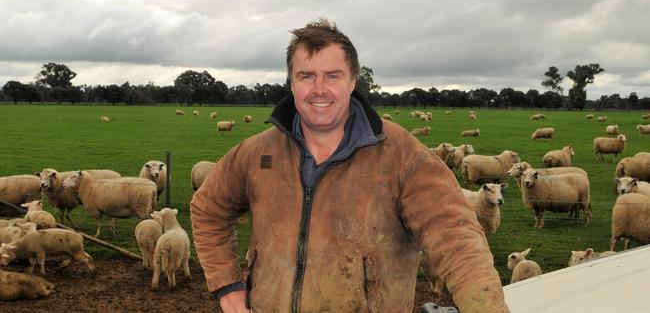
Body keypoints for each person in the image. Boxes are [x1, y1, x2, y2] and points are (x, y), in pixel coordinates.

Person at [190, 18, 510, 312]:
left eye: (332, 76)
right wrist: (227, 284)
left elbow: (458, 242)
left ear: (352, 80)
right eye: (306, 76)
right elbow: (208, 207)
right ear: (291, 83)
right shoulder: (257, 152)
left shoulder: (404, 158)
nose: (319, 89)